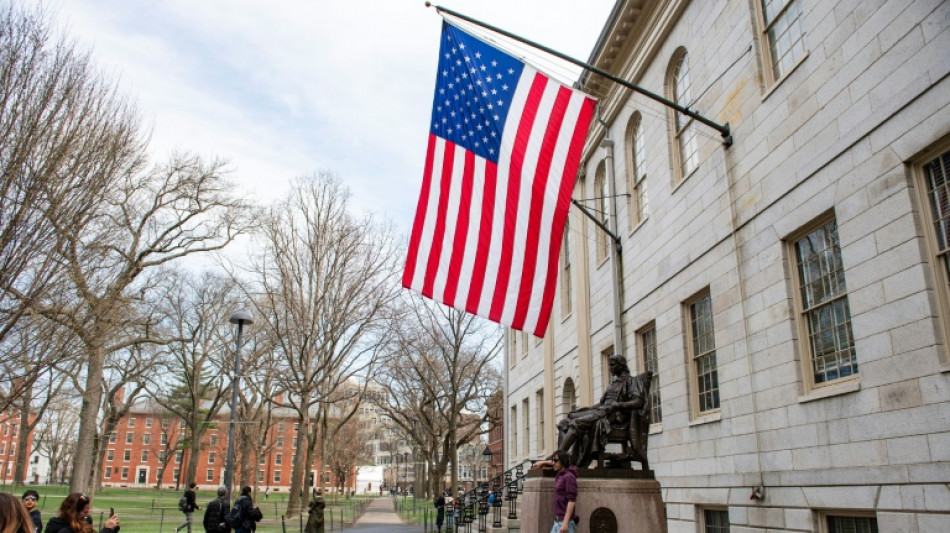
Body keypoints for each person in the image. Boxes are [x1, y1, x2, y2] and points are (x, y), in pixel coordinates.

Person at [554, 355, 648, 468]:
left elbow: (638, 401)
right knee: (565, 422)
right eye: (609, 365)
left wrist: (617, 405)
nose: (610, 368)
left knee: (576, 423)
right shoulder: (613, 384)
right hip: (600, 411)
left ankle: (557, 459)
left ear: (621, 366)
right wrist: (586, 410)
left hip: (614, 418)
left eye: (612, 365)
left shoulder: (631, 381)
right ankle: (560, 459)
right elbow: (601, 404)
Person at [533, 452, 578, 533]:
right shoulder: (560, 473)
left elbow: (571, 501)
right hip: (557, 522)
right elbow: (555, 463)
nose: (553, 463)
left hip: (564, 523)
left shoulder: (569, 477)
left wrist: (565, 523)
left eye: (555, 461)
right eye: (553, 460)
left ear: (563, 461)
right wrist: (542, 462)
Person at [45, 493, 120, 533]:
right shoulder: (56, 527)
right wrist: (107, 529)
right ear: (73, 512)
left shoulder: (87, 520)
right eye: (85, 512)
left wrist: (112, 528)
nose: (87, 514)